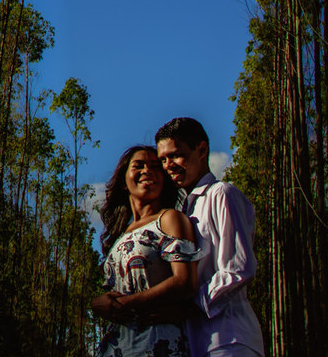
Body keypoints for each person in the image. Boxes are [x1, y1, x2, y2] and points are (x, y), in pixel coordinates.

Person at [155, 117, 264, 357]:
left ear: (201, 150)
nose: (168, 165)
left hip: (230, 339)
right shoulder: (183, 210)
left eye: (175, 155)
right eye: (163, 159)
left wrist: (188, 303)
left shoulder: (222, 194)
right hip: (196, 343)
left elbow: (238, 269)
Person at [91, 145, 201, 357]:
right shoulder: (120, 235)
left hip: (157, 344)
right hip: (118, 346)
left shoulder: (169, 219)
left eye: (154, 166)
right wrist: (97, 303)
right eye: (138, 166)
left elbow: (185, 281)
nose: (147, 171)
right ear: (124, 180)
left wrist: (122, 305)